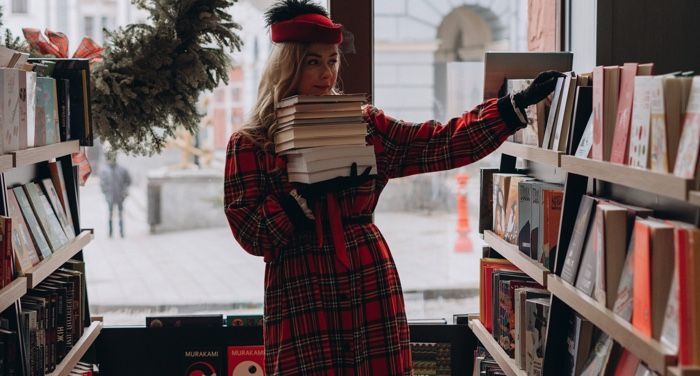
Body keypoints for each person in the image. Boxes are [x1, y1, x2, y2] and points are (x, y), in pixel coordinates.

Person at [223, 1, 563, 374]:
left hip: (366, 274)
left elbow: (434, 143)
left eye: (332, 60)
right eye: (312, 62)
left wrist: (509, 109)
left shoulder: (361, 124)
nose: (326, 74)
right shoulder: (251, 142)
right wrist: (299, 198)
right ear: (287, 65)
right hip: (300, 286)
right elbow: (250, 233)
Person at [99, 153, 132, 238]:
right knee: (110, 214)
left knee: (120, 214)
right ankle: (110, 232)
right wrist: (105, 192)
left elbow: (128, 181)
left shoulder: (122, 169)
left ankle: (121, 232)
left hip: (120, 196)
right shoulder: (104, 171)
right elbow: (102, 184)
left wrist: (124, 191)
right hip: (110, 196)